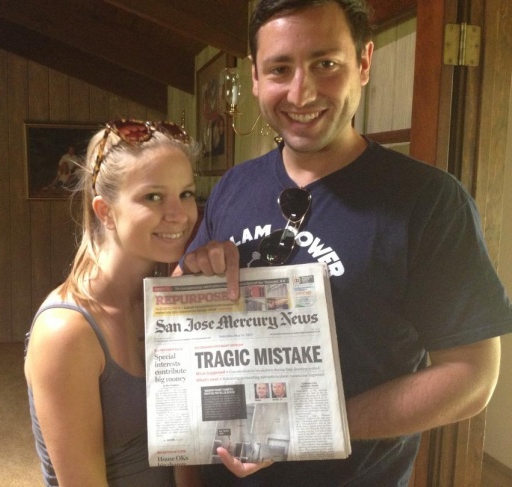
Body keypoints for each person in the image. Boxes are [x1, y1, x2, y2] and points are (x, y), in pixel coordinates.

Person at [179, 1, 512, 485]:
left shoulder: (429, 201)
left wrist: (309, 426)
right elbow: (189, 322)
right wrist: (190, 280)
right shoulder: (234, 185)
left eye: (325, 64)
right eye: (280, 69)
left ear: (364, 62)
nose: (301, 92)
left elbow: (471, 377)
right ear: (255, 77)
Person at [24, 120, 201, 486]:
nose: (179, 214)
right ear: (105, 211)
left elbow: (185, 451)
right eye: (153, 197)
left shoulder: (168, 303)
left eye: (186, 193)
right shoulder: (66, 331)